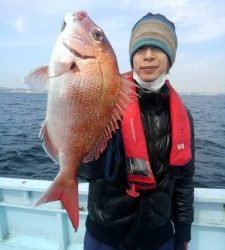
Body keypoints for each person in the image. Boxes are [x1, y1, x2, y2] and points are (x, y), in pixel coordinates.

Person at [79, 12, 195, 250]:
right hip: (105, 234)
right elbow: (86, 170)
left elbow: (184, 182)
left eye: (158, 48)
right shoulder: (109, 103)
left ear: (170, 57)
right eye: (141, 49)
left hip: (158, 236)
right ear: (132, 56)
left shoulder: (184, 117)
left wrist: (182, 233)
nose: (149, 55)